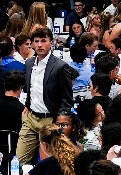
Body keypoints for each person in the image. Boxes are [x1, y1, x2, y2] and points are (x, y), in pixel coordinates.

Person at [18, 26, 78, 166]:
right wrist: (27, 104)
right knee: (21, 158)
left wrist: (59, 119)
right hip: (31, 117)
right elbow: (30, 88)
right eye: (36, 41)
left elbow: (67, 98)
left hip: (50, 118)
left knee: (53, 160)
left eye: (43, 41)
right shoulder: (28, 63)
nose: (39, 45)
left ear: (51, 43)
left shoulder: (60, 66)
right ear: (32, 43)